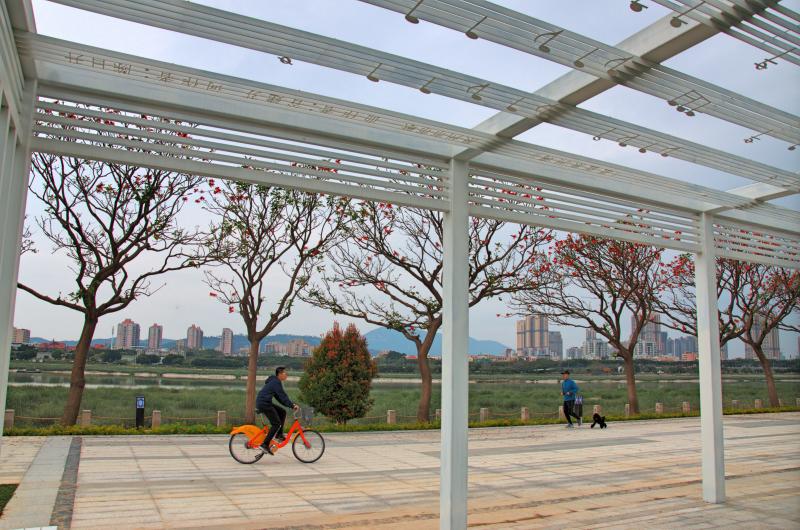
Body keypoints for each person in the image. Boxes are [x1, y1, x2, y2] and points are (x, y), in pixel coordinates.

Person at [256, 366, 300, 454]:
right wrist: (292, 405)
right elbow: (283, 396)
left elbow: (280, 398)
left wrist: (290, 405)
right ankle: (264, 444)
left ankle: (279, 435)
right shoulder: (276, 382)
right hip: (264, 404)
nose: (286, 375)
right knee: (276, 424)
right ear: (279, 374)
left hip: (264, 402)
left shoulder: (274, 382)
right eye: (285, 373)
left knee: (282, 412)